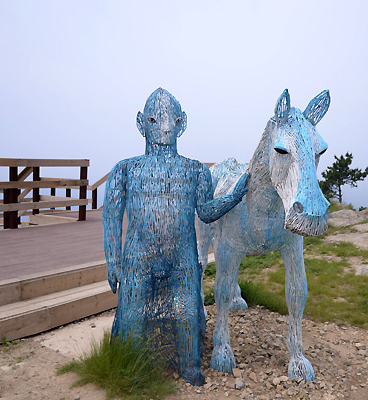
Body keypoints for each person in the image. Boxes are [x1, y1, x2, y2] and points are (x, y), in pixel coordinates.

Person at [102, 88, 248, 386]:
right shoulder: (125, 170)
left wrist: (233, 197)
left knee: (186, 314)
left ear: (182, 123)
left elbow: (205, 212)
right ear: (141, 123)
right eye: (154, 120)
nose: (163, 128)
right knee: (132, 316)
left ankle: (190, 365)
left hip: (182, 256)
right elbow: (111, 217)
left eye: (169, 121)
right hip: (138, 256)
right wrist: (112, 259)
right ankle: (129, 365)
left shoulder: (195, 171)